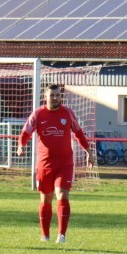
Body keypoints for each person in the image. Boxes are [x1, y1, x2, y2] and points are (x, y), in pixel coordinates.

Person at [17, 83, 92, 243]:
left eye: (58, 95)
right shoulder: (38, 114)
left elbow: (78, 133)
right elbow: (25, 132)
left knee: (62, 195)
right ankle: (45, 235)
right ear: (46, 97)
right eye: (52, 95)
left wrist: (88, 151)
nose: (56, 97)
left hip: (65, 164)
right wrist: (21, 145)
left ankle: (62, 235)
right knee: (45, 199)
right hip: (44, 164)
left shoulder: (68, 113)